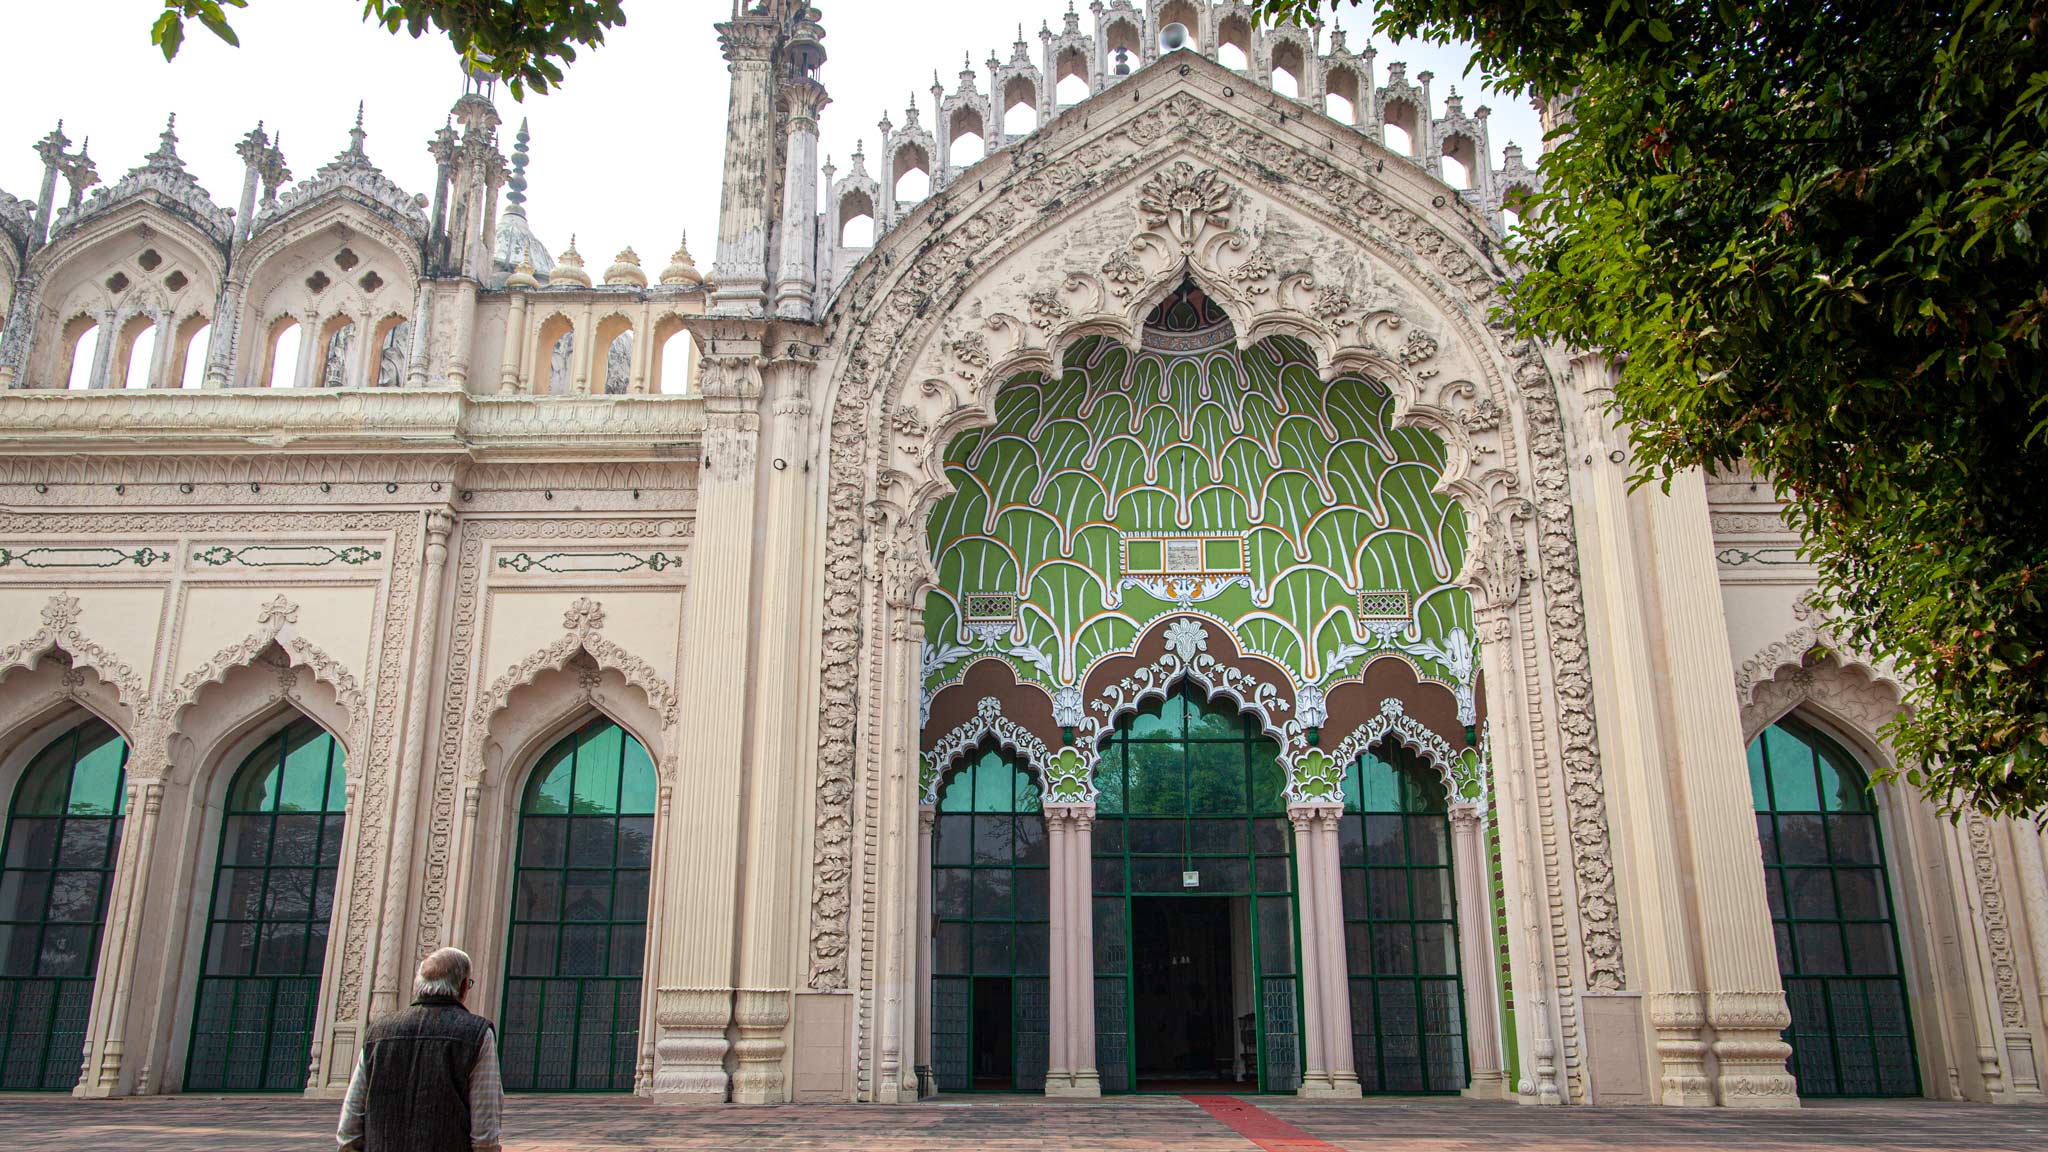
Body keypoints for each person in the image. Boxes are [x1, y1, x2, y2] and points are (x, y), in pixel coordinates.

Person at [337, 947, 503, 1152]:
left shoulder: (379, 1033)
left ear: (418, 987)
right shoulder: (476, 1034)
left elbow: (350, 1126)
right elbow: (485, 1131)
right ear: (462, 988)